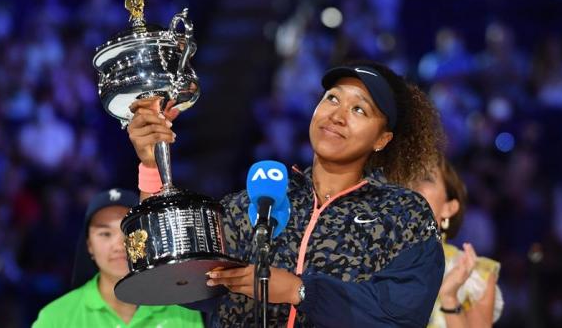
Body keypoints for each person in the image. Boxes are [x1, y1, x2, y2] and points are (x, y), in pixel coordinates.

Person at [128, 60, 446, 327]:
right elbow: (174, 274)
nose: (337, 115)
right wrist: (153, 165)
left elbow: (402, 316)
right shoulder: (259, 198)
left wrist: (301, 291)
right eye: (332, 99)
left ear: (382, 139)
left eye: (359, 109)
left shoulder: (402, 214)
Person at [32, 188, 204, 328]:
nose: (119, 245)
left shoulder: (181, 309)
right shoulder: (55, 318)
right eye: (105, 234)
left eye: (128, 231)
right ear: (89, 246)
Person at [411, 156, 504, 327]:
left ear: (449, 208)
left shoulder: (475, 277)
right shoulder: (367, 260)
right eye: (405, 176)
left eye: (426, 178)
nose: (411, 183)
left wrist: (449, 297)